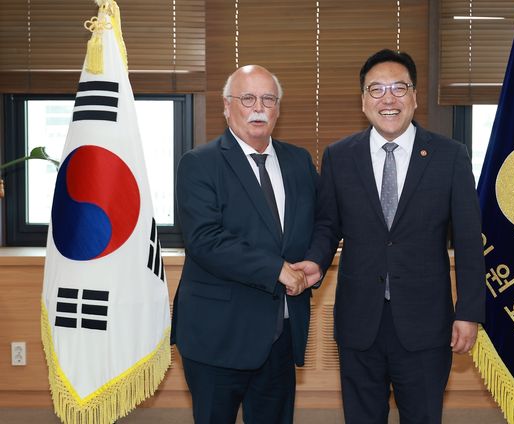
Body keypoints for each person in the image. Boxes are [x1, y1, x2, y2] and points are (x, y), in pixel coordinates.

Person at [292, 49, 486, 423]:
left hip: (427, 323)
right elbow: (328, 224)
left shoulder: (450, 156)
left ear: (414, 97)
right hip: (359, 320)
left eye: (399, 88)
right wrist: (315, 260)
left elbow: (467, 240)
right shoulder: (339, 156)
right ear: (363, 100)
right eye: (376, 89)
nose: (388, 99)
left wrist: (469, 312)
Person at [171, 64, 318, 424]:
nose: (258, 107)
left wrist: (316, 260)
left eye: (268, 99)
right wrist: (276, 270)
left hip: (280, 334)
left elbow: (324, 221)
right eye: (247, 98)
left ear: (278, 109)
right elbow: (204, 240)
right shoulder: (199, 163)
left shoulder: (298, 161)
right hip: (217, 335)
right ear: (226, 106)